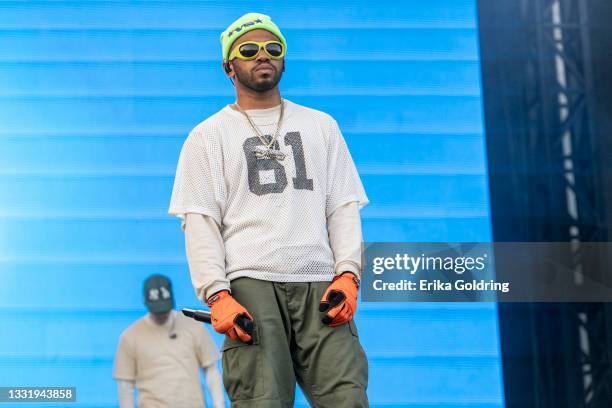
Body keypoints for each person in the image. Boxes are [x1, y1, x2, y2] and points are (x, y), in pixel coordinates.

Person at [169, 12, 369, 407]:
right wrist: (217, 296)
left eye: (273, 48)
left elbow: (342, 207)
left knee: (347, 397)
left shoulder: (321, 126)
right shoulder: (207, 136)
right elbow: (200, 223)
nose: (263, 56)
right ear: (228, 66)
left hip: (319, 284)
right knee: (262, 400)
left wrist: (348, 275)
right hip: (250, 284)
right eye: (249, 49)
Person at [113, 274, 225, 408]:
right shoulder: (130, 336)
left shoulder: (194, 326)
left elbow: (211, 371)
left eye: (164, 310)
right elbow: (125, 386)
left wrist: (219, 405)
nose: (161, 315)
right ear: (145, 302)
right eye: (157, 311)